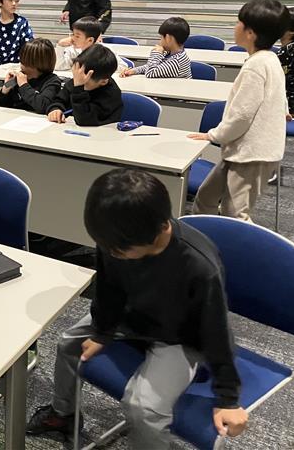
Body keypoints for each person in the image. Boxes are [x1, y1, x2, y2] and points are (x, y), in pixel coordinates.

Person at [26, 168, 247, 449]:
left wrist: (228, 399)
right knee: (68, 344)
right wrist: (103, 331)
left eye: (119, 250)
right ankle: (63, 414)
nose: (111, 253)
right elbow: (108, 289)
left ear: (159, 230)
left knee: (143, 407)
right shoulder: (115, 239)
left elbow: (216, 330)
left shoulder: (198, 266)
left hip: (181, 337)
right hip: (131, 317)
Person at [189, 0, 289, 222]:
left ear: (250, 33)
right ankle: (204, 238)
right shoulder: (269, 59)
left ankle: (240, 245)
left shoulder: (257, 65)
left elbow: (242, 115)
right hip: (243, 150)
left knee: (236, 214)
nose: (235, 27)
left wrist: (213, 135)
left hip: (252, 153)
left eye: (238, 23)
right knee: (206, 198)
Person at [46, 44, 123, 125]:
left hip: (99, 131)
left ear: (103, 81)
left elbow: (84, 119)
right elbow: (58, 100)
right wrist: (55, 109)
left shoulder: (111, 95)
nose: (77, 82)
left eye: (84, 81)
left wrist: (78, 88)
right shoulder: (77, 80)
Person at [0, 39, 62, 115]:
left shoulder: (52, 81)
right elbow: (1, 105)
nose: (21, 66)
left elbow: (43, 106)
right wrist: (6, 87)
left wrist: (24, 85)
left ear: (36, 64)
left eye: (24, 62)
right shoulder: (18, 78)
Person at [122, 17, 192, 79]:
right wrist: (134, 71)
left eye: (161, 37)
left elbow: (150, 73)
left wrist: (156, 53)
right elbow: (152, 66)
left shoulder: (177, 62)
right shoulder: (171, 54)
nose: (160, 41)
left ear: (168, 38)